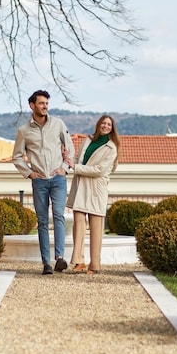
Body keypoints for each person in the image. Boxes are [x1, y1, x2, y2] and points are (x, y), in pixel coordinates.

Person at [12, 90, 75, 275]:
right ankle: (46, 262)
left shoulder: (58, 124)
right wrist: (29, 173)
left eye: (46, 103)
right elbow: (17, 157)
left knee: (58, 215)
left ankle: (59, 258)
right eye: (41, 103)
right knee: (42, 221)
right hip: (39, 181)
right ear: (32, 105)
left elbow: (70, 148)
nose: (45, 106)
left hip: (58, 179)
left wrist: (64, 167)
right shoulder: (24, 131)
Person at [66, 115, 119, 275]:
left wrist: (76, 167)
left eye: (108, 124)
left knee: (96, 228)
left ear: (112, 128)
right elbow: (79, 159)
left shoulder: (112, 148)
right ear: (98, 124)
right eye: (103, 123)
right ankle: (79, 260)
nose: (105, 126)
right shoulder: (87, 140)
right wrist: (69, 160)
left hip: (96, 189)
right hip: (81, 187)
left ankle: (94, 265)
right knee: (78, 224)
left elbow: (99, 170)